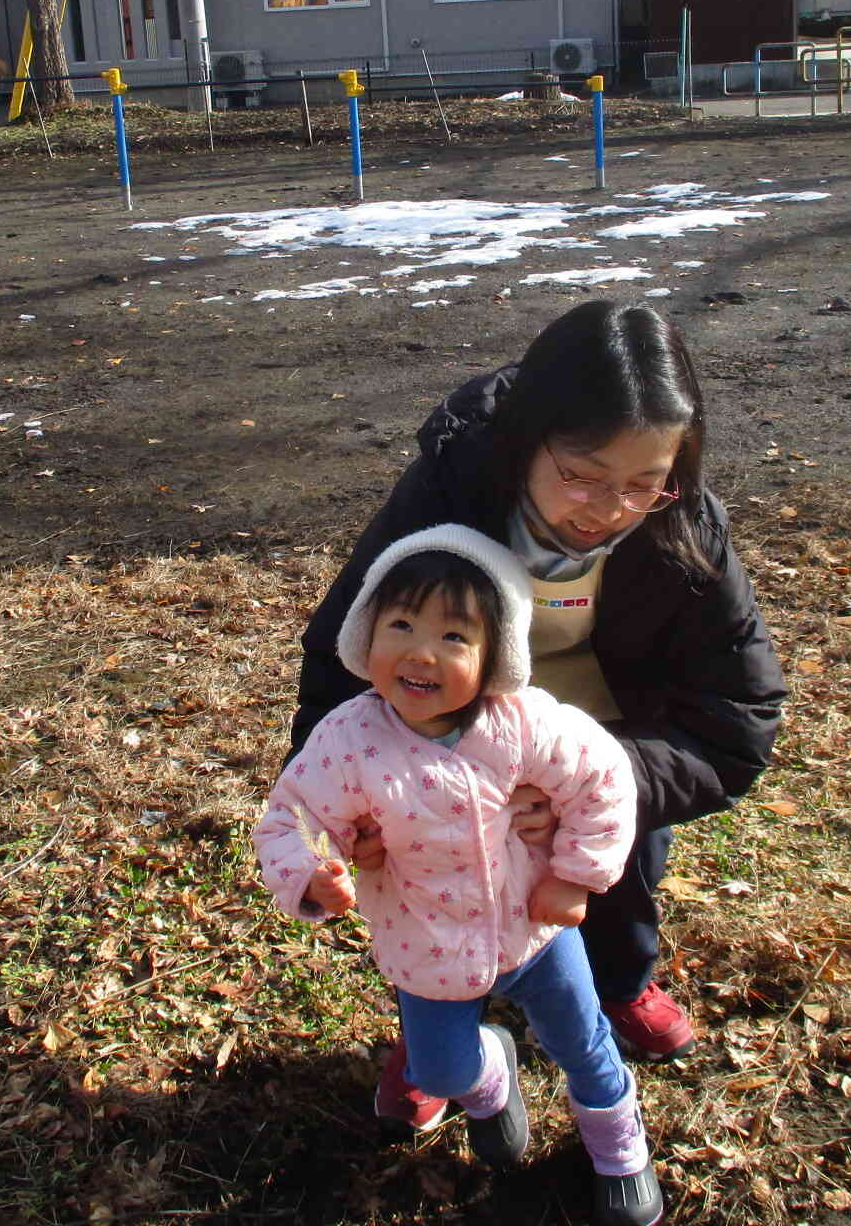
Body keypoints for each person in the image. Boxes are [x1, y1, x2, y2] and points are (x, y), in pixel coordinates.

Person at [290, 299, 786, 1131]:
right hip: (449, 714)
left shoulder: (682, 524)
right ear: (528, 439)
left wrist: (602, 784)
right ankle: (434, 1026)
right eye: (582, 475)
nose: (607, 508)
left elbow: (740, 711)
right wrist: (340, 814)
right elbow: (344, 648)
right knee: (425, 864)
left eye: (643, 482)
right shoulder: (450, 492)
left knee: (619, 858)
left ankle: (620, 981)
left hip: (607, 726)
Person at [258, 525, 663, 1226]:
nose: (421, 652)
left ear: (496, 654)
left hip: (534, 929)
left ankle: (618, 1146)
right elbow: (288, 816)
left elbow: (604, 782)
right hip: (426, 942)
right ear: (366, 632)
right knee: (440, 1070)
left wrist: (574, 874)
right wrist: (311, 876)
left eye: (454, 637)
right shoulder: (350, 738)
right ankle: (489, 1078)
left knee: (582, 1043)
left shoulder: (522, 724)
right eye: (402, 624)